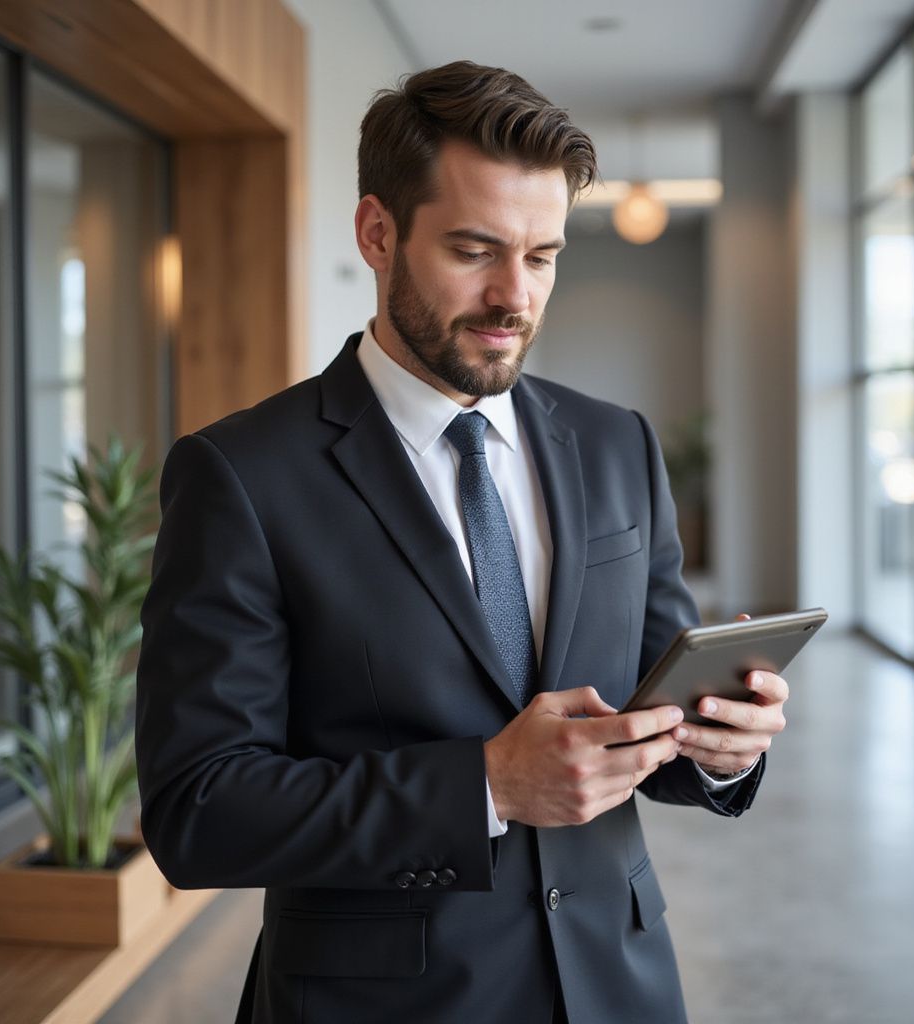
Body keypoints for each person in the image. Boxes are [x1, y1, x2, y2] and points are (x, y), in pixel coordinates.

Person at [136, 60, 789, 1024]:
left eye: (543, 256)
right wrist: (483, 785)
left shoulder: (618, 444)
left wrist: (721, 749)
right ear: (377, 234)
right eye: (475, 250)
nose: (513, 298)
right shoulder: (241, 476)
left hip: (619, 984)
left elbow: (652, 696)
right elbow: (200, 812)